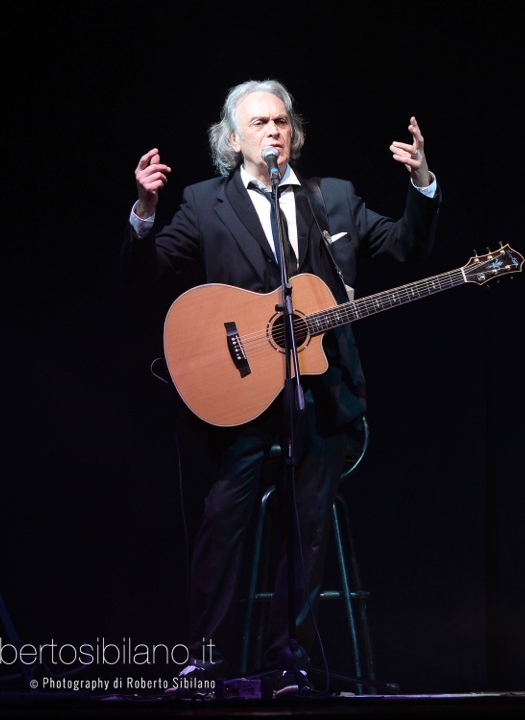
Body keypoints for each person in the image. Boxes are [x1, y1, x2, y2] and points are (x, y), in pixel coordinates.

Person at [121, 78, 441, 696]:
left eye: (283, 122)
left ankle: (286, 656)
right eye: (261, 124)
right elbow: (144, 271)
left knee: (307, 520)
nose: (275, 131)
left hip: (322, 394)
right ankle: (203, 657)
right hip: (242, 395)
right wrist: (142, 211)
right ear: (233, 140)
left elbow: (406, 244)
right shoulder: (204, 202)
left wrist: (422, 184)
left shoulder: (334, 199)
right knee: (225, 515)